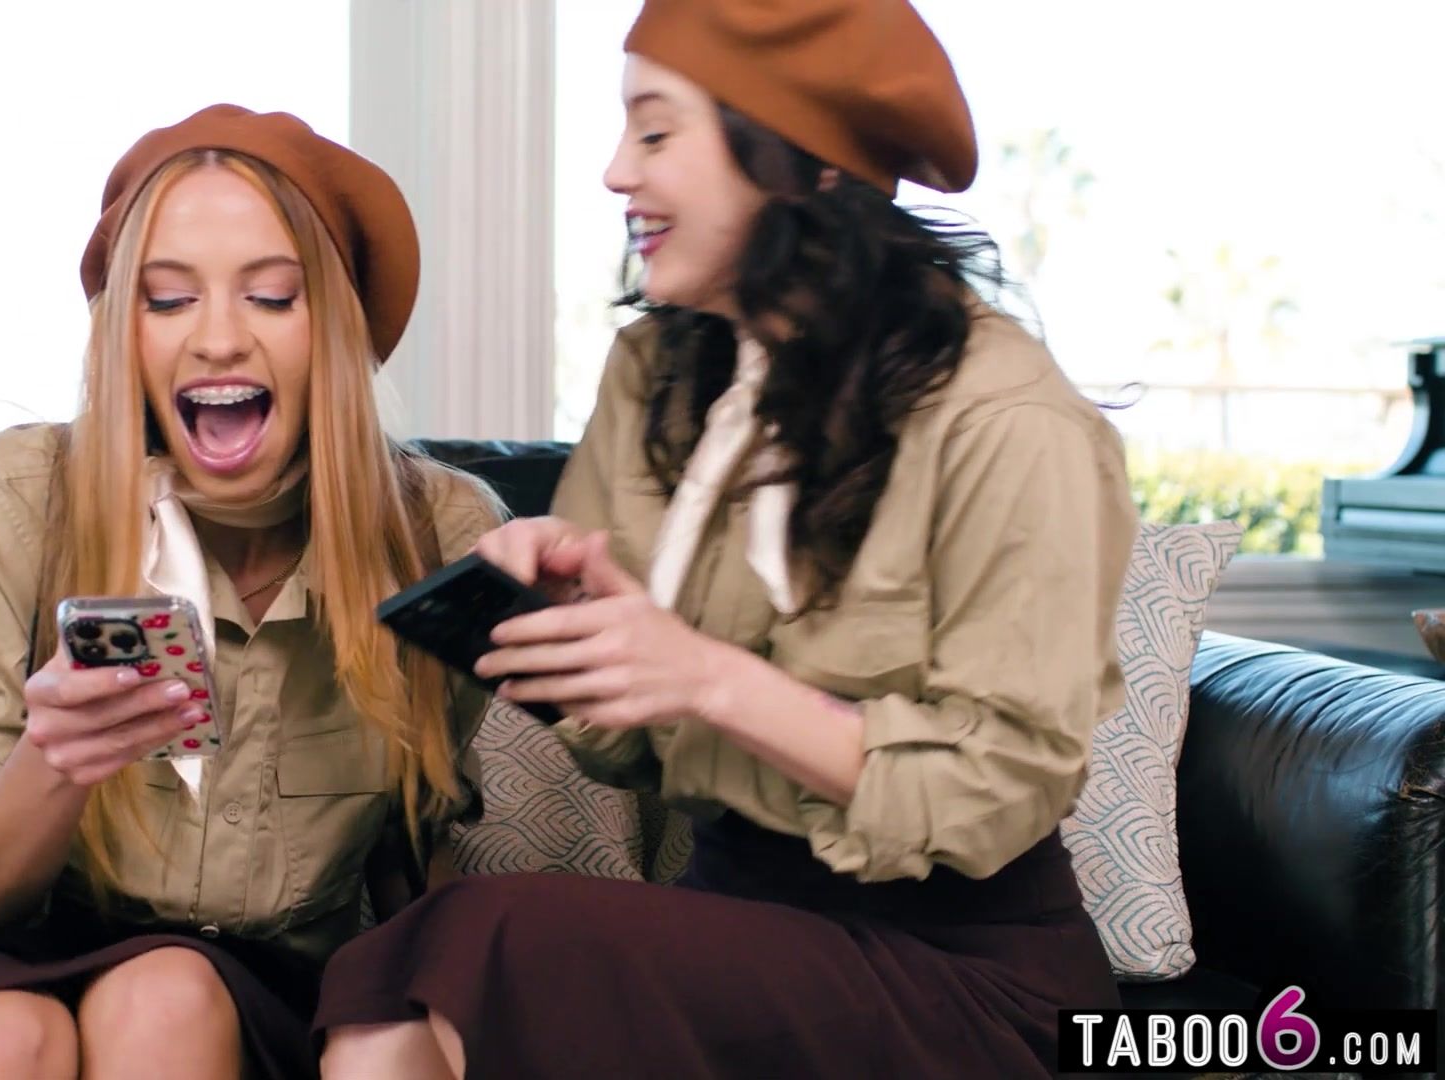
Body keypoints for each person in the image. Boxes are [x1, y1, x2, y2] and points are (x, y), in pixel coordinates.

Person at [310, 2, 1138, 1077]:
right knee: (383, 1009)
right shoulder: (655, 377)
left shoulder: (1008, 419)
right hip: (736, 917)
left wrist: (707, 675)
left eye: (656, 132)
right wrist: (579, 635)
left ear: (805, 162)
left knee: (483, 936)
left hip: (965, 969)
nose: (616, 172)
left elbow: (1000, 794)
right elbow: (631, 755)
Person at [0, 105, 507, 1080]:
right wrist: (58, 760)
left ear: (336, 326)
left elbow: (423, 845)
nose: (218, 339)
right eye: (169, 299)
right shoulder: (9, 498)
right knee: (11, 1038)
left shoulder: (439, 533)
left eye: (271, 297)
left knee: (165, 994)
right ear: (123, 331)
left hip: (254, 983)